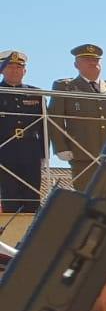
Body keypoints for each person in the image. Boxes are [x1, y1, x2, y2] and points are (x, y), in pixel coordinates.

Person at [49, 44, 106, 191]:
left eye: (96, 60)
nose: (93, 63)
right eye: (87, 59)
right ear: (76, 65)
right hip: (82, 153)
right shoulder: (65, 87)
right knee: (85, 197)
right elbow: (55, 118)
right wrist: (60, 147)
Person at [0, 51, 46, 212]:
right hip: (4, 148)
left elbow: (43, 126)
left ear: (24, 71)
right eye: (10, 67)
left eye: (19, 67)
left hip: (30, 148)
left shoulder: (36, 93)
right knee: (9, 193)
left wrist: (44, 153)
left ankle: (31, 233)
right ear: (2, 70)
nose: (14, 70)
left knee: (32, 193)